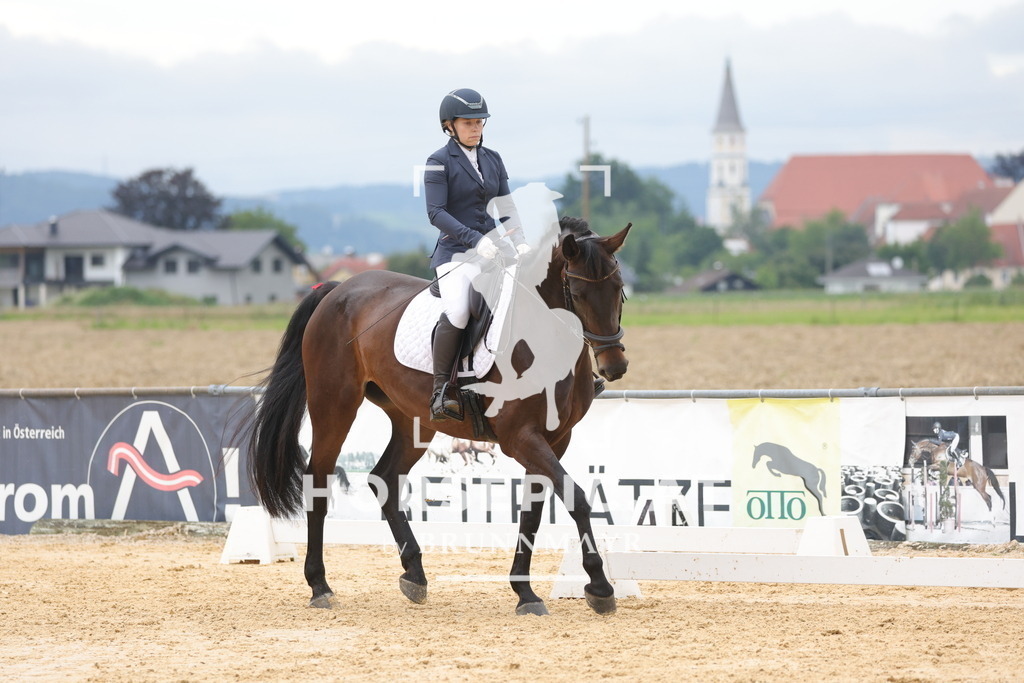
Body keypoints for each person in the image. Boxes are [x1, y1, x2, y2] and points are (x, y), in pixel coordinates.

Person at [423, 88, 528, 421]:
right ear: (449, 126)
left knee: (535, 293)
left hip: (496, 250)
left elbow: (506, 206)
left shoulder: (493, 159)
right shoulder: (438, 162)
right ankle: (441, 391)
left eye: (480, 122)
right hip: (456, 254)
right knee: (458, 310)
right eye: (468, 123)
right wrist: (473, 239)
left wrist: (521, 241)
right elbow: (436, 212)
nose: (476, 128)